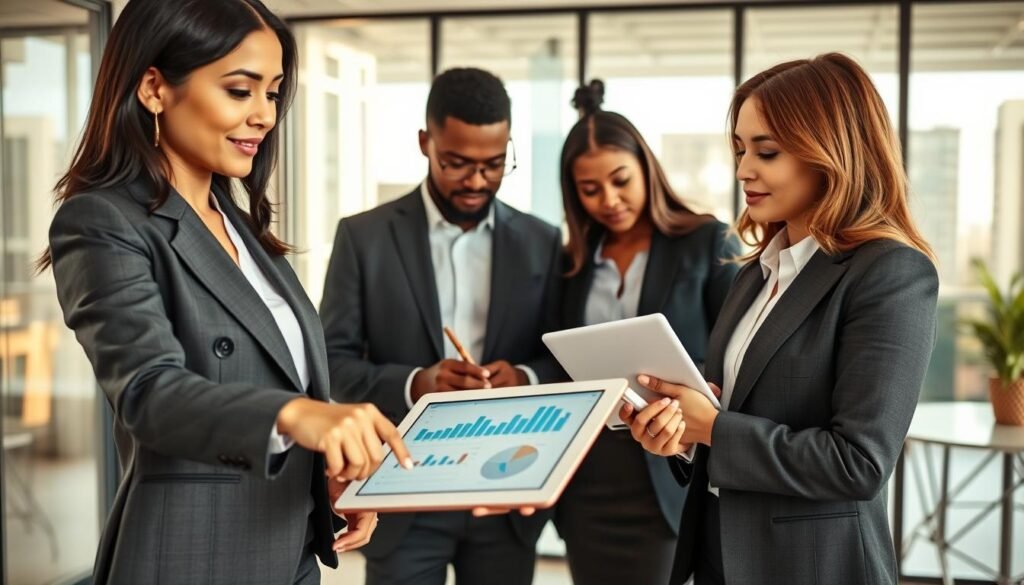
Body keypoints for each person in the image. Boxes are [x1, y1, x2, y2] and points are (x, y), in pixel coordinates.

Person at [43, 1, 411, 583]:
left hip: (288, 550)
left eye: (273, 93)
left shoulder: (239, 225)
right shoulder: (101, 221)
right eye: (240, 91)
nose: (264, 115)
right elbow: (149, 392)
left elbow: (271, 382)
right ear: (155, 88)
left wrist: (326, 477)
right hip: (194, 554)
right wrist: (299, 415)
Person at [622, 52, 940, 585]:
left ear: (830, 153)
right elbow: (735, 412)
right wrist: (681, 435)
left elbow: (858, 463)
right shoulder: (757, 273)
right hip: (720, 552)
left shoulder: (891, 273)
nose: (745, 169)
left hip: (813, 566)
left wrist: (714, 428)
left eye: (766, 152)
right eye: (741, 149)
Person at [319, 67, 562, 585]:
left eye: (495, 164)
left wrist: (523, 376)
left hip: (505, 487)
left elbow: (564, 358)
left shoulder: (543, 242)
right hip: (401, 495)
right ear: (425, 143)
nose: (476, 181)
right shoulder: (363, 238)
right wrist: (417, 383)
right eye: (457, 163)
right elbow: (332, 362)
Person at [551, 80, 740, 585]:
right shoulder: (571, 263)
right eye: (590, 190)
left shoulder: (705, 241)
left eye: (620, 180)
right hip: (587, 476)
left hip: (666, 471)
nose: (608, 200)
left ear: (647, 171)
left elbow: (739, 352)